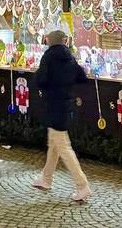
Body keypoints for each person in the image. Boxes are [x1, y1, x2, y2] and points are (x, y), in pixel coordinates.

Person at [33, 29, 91, 204]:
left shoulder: (48, 57)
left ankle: (82, 185)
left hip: (54, 104)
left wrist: (38, 76)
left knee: (63, 146)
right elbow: (82, 77)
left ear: (51, 41)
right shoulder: (70, 57)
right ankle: (46, 179)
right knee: (54, 144)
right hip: (67, 103)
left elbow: (41, 80)